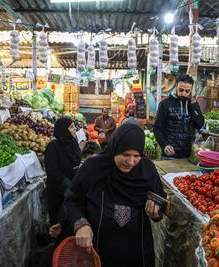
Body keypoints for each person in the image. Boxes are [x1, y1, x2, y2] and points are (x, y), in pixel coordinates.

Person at [52, 124, 166, 267]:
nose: (131, 162)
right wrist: (81, 225)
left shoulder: (147, 170)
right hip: (97, 250)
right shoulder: (92, 167)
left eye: (136, 156)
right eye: (125, 154)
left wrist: (156, 212)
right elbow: (71, 201)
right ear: (115, 148)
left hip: (137, 251)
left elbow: (160, 201)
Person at [154, 74, 204, 159]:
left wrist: (193, 104)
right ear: (176, 86)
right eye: (181, 90)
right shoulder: (165, 104)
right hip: (169, 155)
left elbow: (199, 124)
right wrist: (164, 145)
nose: (183, 93)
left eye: (187, 91)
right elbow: (157, 128)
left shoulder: (192, 104)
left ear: (191, 90)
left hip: (189, 155)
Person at [44, 117, 82, 226]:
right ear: (63, 129)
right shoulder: (53, 147)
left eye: (74, 126)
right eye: (71, 127)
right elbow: (52, 171)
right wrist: (68, 184)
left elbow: (78, 160)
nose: (75, 129)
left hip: (73, 189)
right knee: (58, 220)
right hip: (58, 190)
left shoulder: (73, 143)